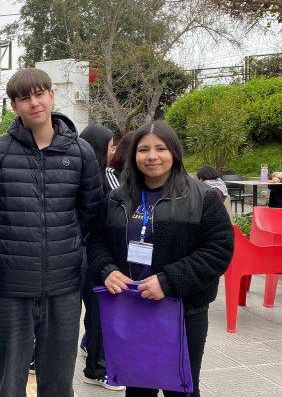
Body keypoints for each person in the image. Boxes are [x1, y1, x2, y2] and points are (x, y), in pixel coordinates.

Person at [0, 68, 102, 396]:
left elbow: (90, 216)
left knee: (59, 386)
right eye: (24, 98)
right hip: (8, 288)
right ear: (14, 105)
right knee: (8, 385)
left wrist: (70, 252)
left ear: (51, 95)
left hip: (63, 289)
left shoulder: (81, 153)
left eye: (39, 94)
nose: (34, 103)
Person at [88, 120, 233, 397]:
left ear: (174, 152)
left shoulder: (202, 197)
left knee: (181, 387)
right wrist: (106, 269)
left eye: (160, 148)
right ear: (133, 155)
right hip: (131, 307)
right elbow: (96, 241)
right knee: (137, 387)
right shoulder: (117, 199)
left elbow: (219, 250)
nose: (152, 156)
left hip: (182, 311)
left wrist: (169, 281)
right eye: (143, 149)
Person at [77, 124, 123, 391]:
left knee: (85, 311)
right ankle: (97, 369)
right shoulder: (105, 178)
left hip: (71, 251)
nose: (113, 151)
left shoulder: (76, 173)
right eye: (110, 146)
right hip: (94, 253)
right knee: (99, 311)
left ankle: (89, 351)